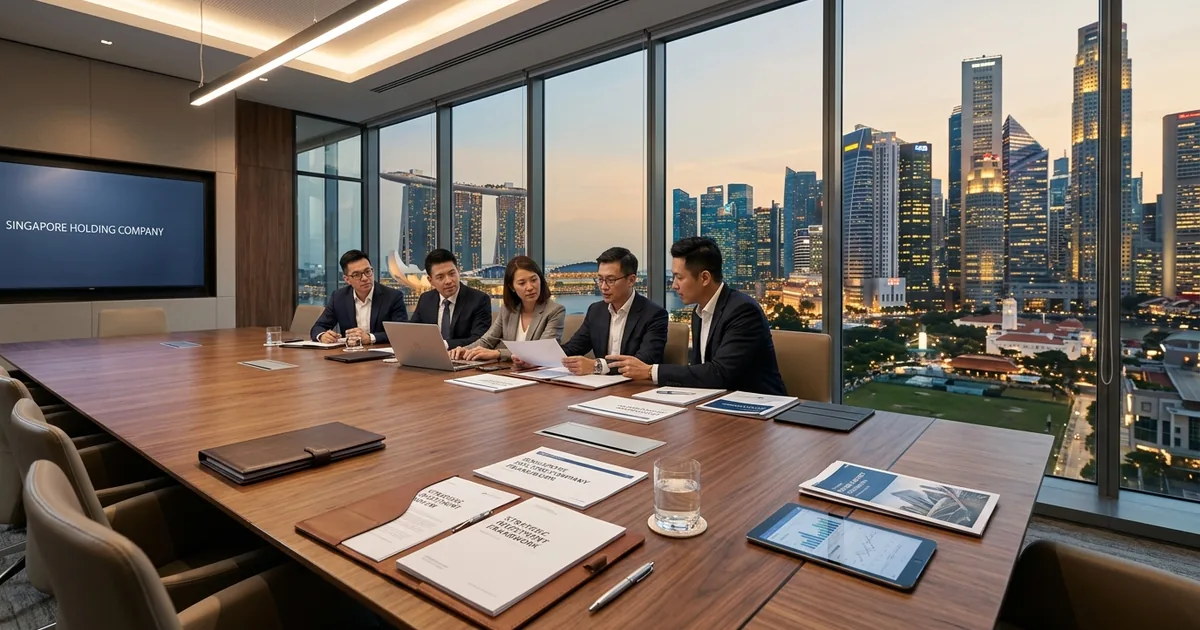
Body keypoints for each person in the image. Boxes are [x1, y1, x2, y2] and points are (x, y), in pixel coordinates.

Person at [608, 236, 786, 395]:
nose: (674, 285)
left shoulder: (743, 311)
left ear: (705, 278)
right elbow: (700, 371)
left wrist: (650, 372)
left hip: (759, 411)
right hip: (716, 405)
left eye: (679, 277)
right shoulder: (699, 312)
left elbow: (719, 374)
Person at [556, 247, 667, 376]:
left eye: (611, 280)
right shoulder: (596, 310)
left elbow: (643, 362)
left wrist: (596, 366)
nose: (603, 287)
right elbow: (573, 348)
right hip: (601, 386)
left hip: (634, 386)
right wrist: (536, 359)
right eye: (600, 279)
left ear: (631, 280)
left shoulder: (654, 314)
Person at [451, 256, 565, 362]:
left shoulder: (555, 311)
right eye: (522, 283)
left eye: (534, 280)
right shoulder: (507, 310)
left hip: (539, 375)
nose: (530, 287)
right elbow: (487, 341)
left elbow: (541, 351)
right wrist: (463, 351)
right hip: (510, 372)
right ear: (512, 287)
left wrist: (498, 353)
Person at [311, 250, 408, 346]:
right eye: (357, 275)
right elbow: (318, 327)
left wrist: (370, 338)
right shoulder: (339, 297)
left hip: (381, 355)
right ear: (347, 279)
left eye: (367, 271)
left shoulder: (393, 296)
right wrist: (323, 336)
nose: (365, 278)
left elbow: (401, 332)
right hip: (349, 355)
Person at [408, 249, 492, 349]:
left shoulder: (479, 299)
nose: (448, 281)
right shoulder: (426, 299)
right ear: (430, 281)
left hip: (464, 358)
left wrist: (444, 344)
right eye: (440, 277)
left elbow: (479, 340)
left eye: (452, 274)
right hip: (429, 357)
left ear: (458, 271)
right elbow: (413, 332)